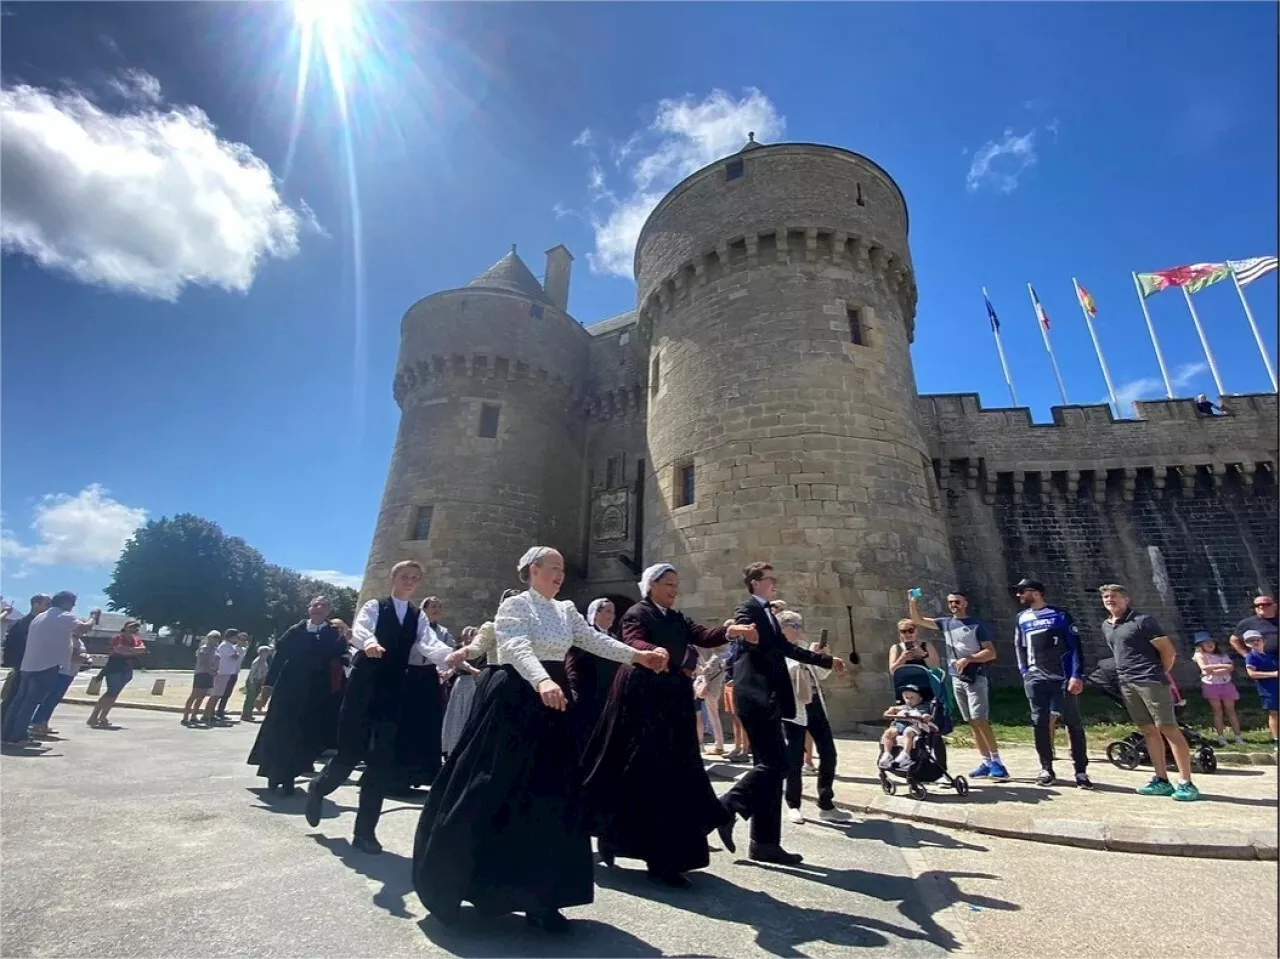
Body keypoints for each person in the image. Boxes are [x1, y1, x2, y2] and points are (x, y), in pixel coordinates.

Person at [413, 547, 668, 933]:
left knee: (553, 795)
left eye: (563, 569)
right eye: (553, 568)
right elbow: (514, 646)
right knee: (495, 787)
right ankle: (471, 885)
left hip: (554, 701)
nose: (560, 574)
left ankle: (543, 897)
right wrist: (542, 679)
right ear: (533, 570)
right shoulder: (515, 607)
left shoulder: (566, 610)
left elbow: (595, 640)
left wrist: (637, 656)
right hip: (517, 696)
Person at [581, 563, 755, 888]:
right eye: (669, 584)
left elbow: (701, 635)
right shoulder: (637, 613)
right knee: (643, 774)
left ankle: (666, 855)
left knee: (676, 774)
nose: (675, 589)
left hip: (672, 698)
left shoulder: (675, 617)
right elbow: (633, 641)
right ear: (651, 586)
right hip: (642, 699)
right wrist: (653, 651)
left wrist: (731, 630)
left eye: (677, 584)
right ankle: (646, 853)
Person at [305, 561, 453, 853]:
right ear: (393, 578)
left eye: (414, 578)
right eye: (404, 576)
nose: (409, 581)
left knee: (380, 762)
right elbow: (361, 629)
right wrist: (370, 643)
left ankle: (365, 833)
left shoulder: (416, 615)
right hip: (364, 687)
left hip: (394, 689)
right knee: (349, 754)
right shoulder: (376, 605)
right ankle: (319, 788)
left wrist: (452, 656)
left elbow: (428, 643)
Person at [719, 563, 845, 866]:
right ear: (754, 582)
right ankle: (727, 806)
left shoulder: (768, 615)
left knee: (771, 769)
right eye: (769, 579)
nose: (775, 582)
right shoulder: (748, 609)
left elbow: (785, 648)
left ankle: (764, 842)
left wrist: (824, 660)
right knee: (777, 764)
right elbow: (746, 633)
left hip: (769, 699)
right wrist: (745, 634)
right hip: (756, 697)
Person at [1099, 584, 1200, 801]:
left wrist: (1158, 672)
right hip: (1126, 682)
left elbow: (1168, 651)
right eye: (1106, 597)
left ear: (1126, 600)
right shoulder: (1107, 625)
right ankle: (1161, 779)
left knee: (1168, 727)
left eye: (1114, 596)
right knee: (1148, 730)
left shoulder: (1142, 621)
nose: (1110, 600)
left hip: (1150, 680)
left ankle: (1186, 782)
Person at [249, 597, 347, 795]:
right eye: (315, 605)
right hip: (288, 692)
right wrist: (265, 691)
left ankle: (290, 775)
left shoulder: (334, 635)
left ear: (329, 612)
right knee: (280, 733)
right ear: (309, 609)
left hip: (316, 695)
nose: (319, 608)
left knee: (305, 736)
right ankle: (275, 775)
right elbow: (278, 662)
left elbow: (342, 658)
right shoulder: (294, 632)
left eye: (324, 605)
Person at [908, 590, 1008, 781]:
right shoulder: (945, 623)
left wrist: (968, 659)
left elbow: (991, 652)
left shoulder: (976, 625)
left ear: (965, 603)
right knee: (971, 721)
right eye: (951, 602)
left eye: (957, 602)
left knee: (980, 720)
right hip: (956, 678)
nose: (954, 605)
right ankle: (986, 762)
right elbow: (918, 619)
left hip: (975, 677)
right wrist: (912, 600)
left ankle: (998, 763)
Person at [1012, 578, 1092, 789]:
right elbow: (1019, 646)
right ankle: (1046, 767)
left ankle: (1081, 771)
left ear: (1036, 593)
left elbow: (1075, 646)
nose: (1019, 595)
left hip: (1062, 678)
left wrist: (1076, 674)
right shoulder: (1021, 618)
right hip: (1035, 678)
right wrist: (1024, 672)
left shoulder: (1060, 615)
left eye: (1022, 591)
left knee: (1073, 723)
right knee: (1039, 723)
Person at [777, 607, 849, 823]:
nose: (799, 630)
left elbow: (819, 675)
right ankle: (793, 804)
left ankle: (826, 803)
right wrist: (808, 657)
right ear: (783, 628)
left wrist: (820, 658)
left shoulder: (803, 647)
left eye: (800, 625)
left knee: (829, 753)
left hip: (815, 704)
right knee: (794, 757)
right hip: (794, 709)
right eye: (795, 626)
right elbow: (785, 674)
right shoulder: (778, 650)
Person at [1, 592, 93, 748]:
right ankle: (18, 736)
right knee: (30, 702)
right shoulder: (63, 616)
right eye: (72, 602)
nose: (74, 606)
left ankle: (6, 734)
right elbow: (84, 629)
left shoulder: (40, 617)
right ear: (66, 602)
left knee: (19, 701)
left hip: (28, 665)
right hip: (46, 665)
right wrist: (93, 617)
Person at [564, 597, 621, 753]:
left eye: (614, 612)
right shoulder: (584, 637)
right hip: (589, 696)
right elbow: (572, 666)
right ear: (595, 615)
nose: (612, 615)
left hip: (610, 697)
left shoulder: (615, 639)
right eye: (608, 611)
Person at [86, 619, 147, 729]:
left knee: (115, 694)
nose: (133, 629)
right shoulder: (118, 638)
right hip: (115, 667)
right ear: (125, 627)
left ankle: (103, 717)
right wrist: (133, 650)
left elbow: (142, 649)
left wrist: (128, 650)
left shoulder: (136, 639)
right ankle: (93, 716)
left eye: (135, 627)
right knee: (110, 693)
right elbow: (119, 650)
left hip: (127, 668)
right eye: (131, 626)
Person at [29, 635, 91, 739]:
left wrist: (86, 657)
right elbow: (68, 656)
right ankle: (36, 723)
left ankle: (44, 723)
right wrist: (82, 658)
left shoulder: (79, 641)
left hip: (70, 673)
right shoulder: (68, 639)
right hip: (62, 672)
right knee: (50, 698)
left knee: (55, 700)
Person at [0, 594, 51, 709]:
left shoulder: (44, 624)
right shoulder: (22, 623)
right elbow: (11, 644)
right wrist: (14, 664)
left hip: (34, 667)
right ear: (35, 604)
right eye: (47, 604)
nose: (49, 607)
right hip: (23, 667)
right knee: (13, 698)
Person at [1192, 632, 1242, 746]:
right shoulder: (1199, 655)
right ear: (1200, 645)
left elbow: (1230, 668)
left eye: (1211, 641)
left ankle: (1238, 736)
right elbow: (1203, 667)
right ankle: (1221, 737)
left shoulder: (1222, 655)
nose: (1210, 644)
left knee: (1231, 711)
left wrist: (1213, 670)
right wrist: (1223, 666)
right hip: (1211, 685)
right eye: (1206, 642)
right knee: (1217, 711)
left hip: (1226, 683)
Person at [440, 626, 481, 757]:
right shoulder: (459, 649)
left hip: (475, 684)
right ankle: (452, 747)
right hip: (463, 683)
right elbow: (457, 664)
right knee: (458, 714)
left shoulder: (480, 651)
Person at [877, 685, 935, 770]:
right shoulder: (904, 707)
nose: (909, 700)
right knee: (888, 733)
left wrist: (926, 717)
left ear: (920, 698)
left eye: (912, 698)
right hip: (900, 726)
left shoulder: (924, 707)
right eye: (906, 698)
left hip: (914, 726)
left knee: (908, 732)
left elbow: (927, 715)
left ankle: (906, 754)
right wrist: (890, 711)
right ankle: (887, 754)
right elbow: (893, 709)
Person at [1243, 630, 1279, 747]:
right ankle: (1276, 739)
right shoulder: (1251, 656)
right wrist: (1273, 674)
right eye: (1251, 641)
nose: (1255, 642)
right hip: (1268, 689)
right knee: (1274, 713)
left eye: (1257, 640)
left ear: (1263, 641)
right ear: (1247, 644)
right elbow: (1252, 674)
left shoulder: (1270, 655)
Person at [203, 631, 242, 726]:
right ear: (230, 637)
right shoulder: (225, 645)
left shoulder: (230, 646)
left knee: (218, 695)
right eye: (236, 637)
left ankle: (211, 713)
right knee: (215, 695)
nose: (237, 639)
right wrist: (236, 654)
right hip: (222, 672)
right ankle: (207, 714)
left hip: (227, 673)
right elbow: (235, 656)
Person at [182, 632, 220, 726]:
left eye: (218, 637)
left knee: (202, 696)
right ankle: (185, 717)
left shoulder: (216, 649)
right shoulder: (204, 648)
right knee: (194, 695)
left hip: (210, 675)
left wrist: (214, 670)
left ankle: (194, 716)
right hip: (201, 673)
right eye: (214, 637)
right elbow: (203, 662)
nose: (216, 639)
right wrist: (210, 670)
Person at [240, 645, 273, 722]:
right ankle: (245, 715)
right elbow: (252, 673)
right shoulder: (256, 661)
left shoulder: (264, 661)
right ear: (261, 652)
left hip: (259, 681)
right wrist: (251, 682)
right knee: (250, 698)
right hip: (253, 681)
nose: (267, 654)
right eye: (266, 652)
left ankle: (250, 714)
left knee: (254, 698)